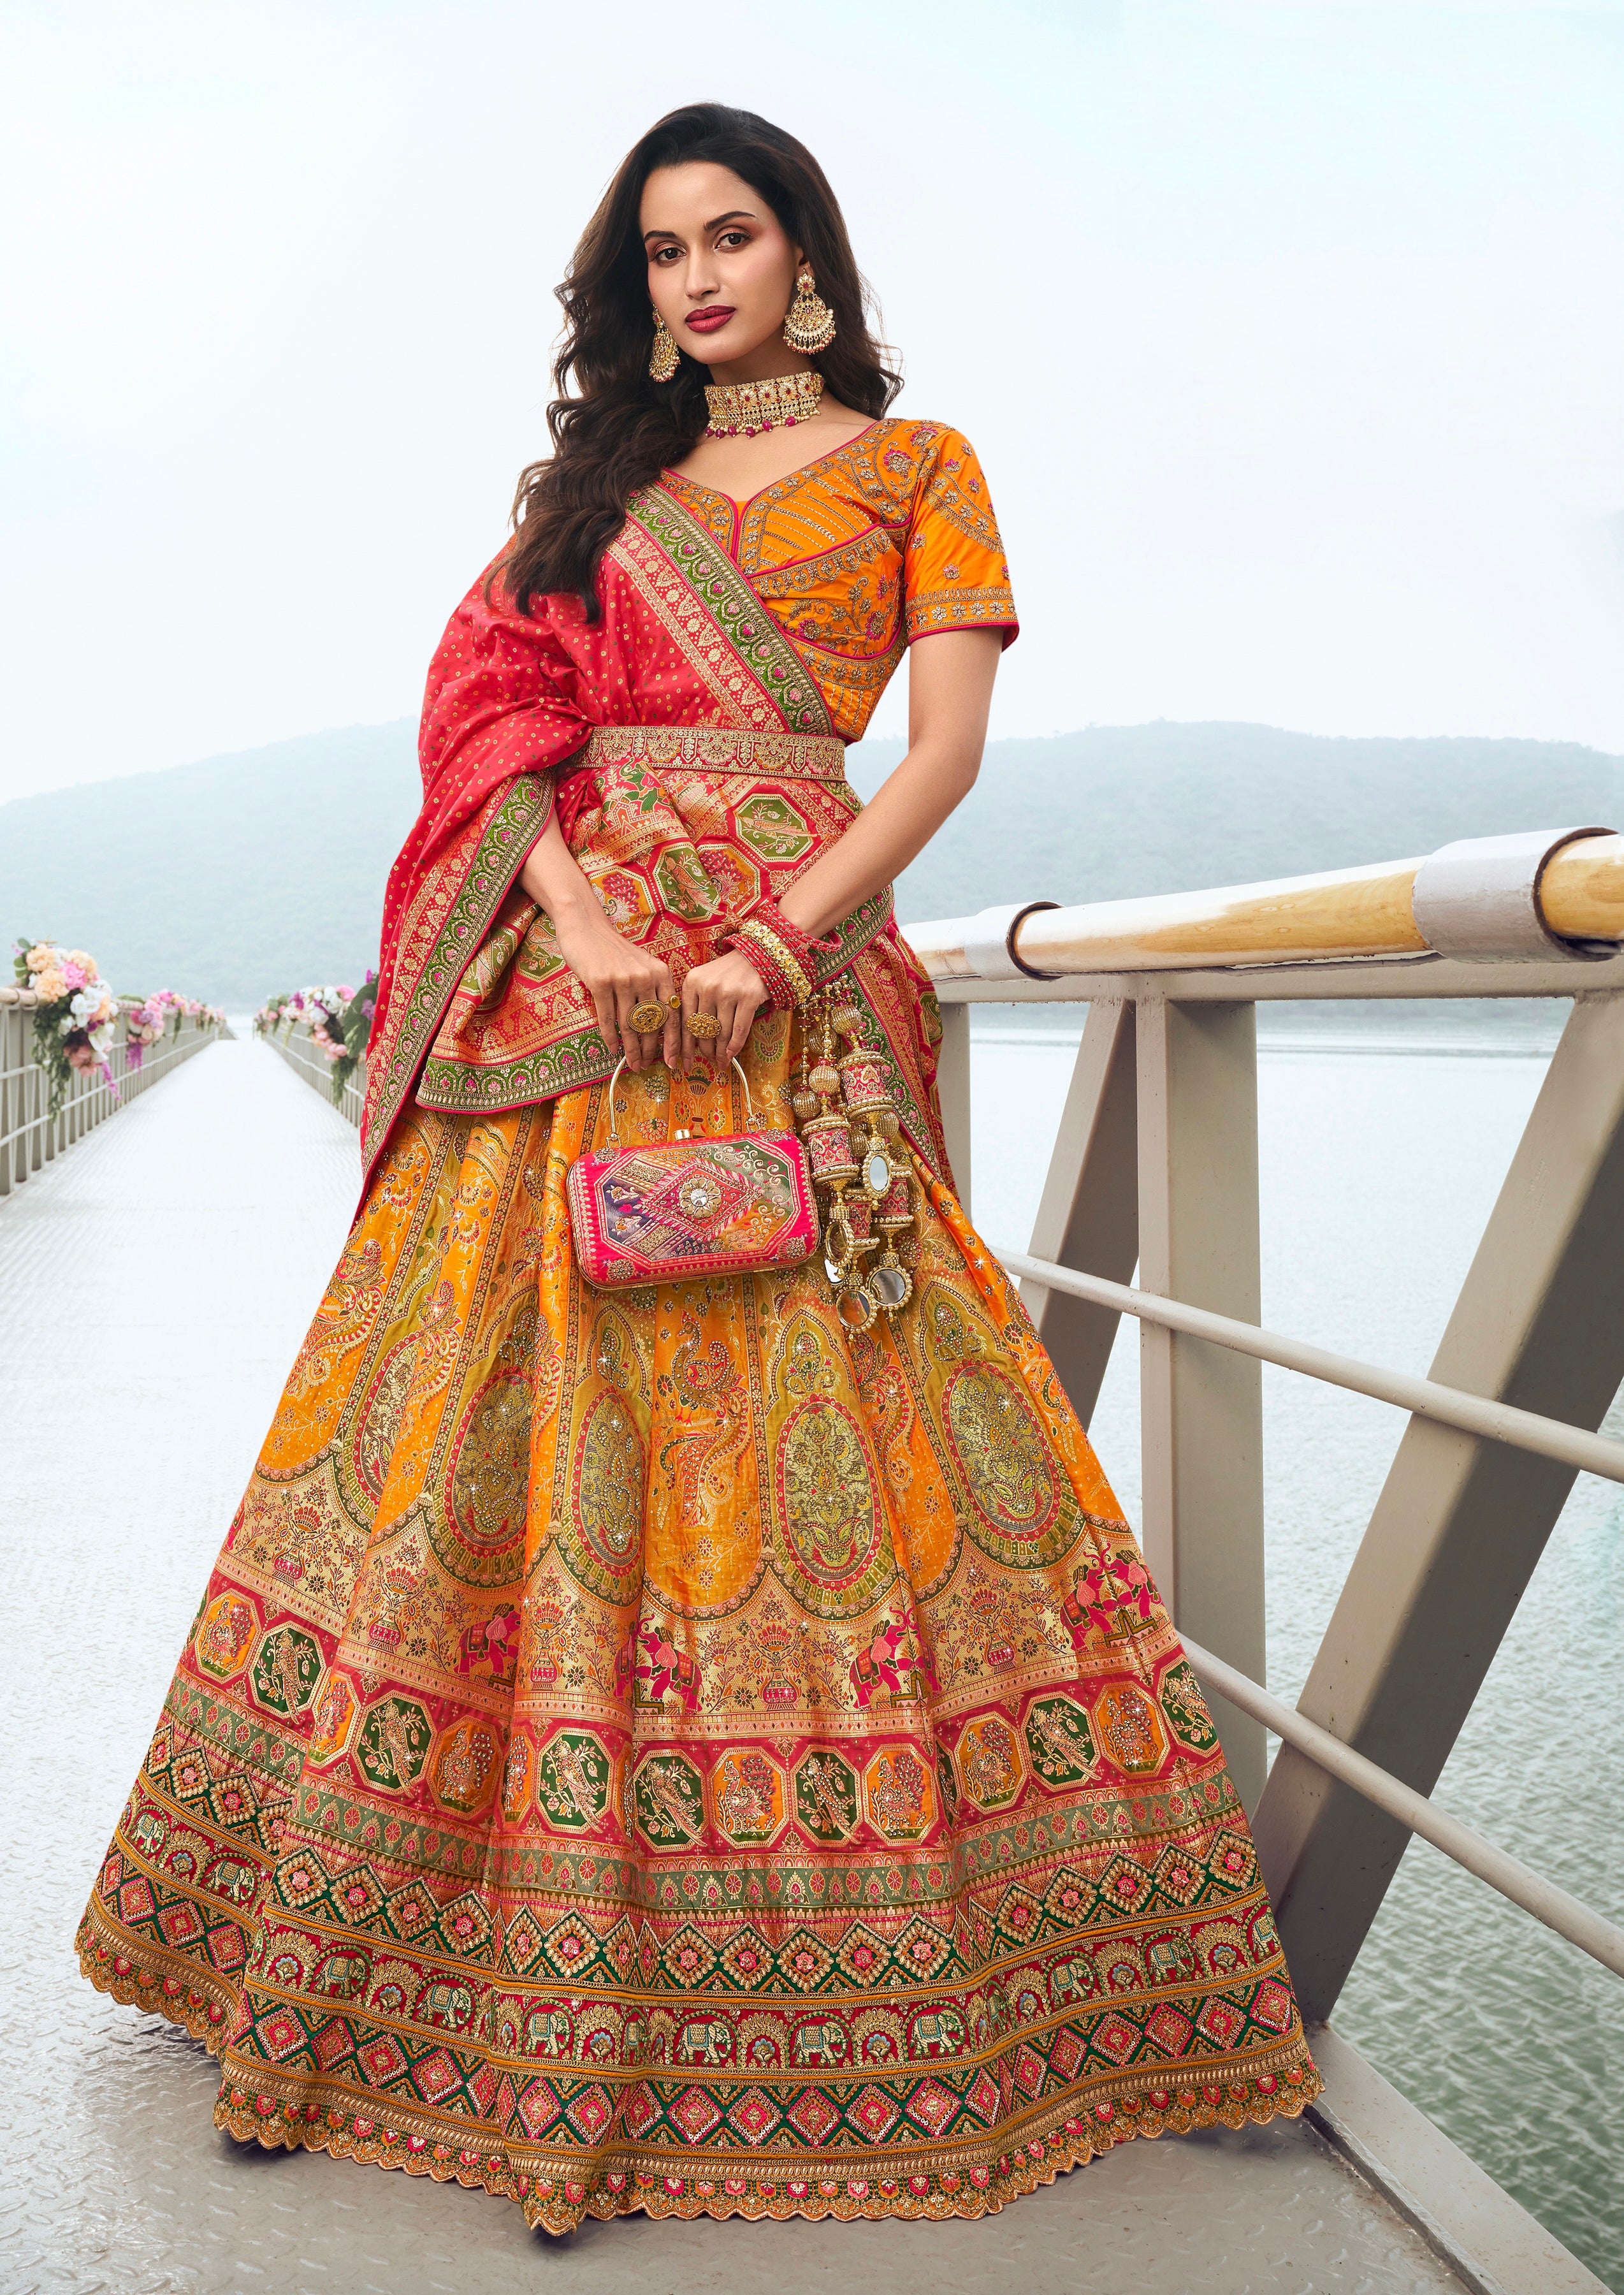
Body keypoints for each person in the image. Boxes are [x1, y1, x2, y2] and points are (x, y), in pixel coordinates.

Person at [80, 101, 1319, 2233]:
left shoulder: (923, 472)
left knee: (858, 1446)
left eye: (728, 234)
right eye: (658, 252)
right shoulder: (598, 499)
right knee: (507, 1425)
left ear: (805, 249)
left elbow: (935, 751)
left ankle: (948, 1982)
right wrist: (572, 922)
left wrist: (772, 939)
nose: (696, 279)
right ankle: (395, 1982)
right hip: (582, 1000)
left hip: (792, 986)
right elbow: (485, 727)